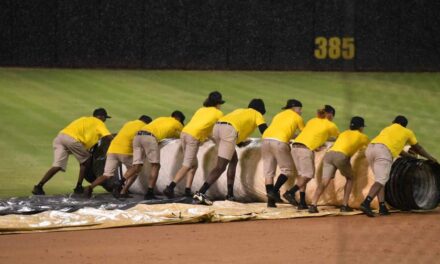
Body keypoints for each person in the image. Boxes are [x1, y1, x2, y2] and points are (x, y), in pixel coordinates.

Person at [193, 99, 268, 205]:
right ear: (261, 110)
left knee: (233, 160)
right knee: (221, 166)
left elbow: (236, 127)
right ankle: (200, 192)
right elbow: (264, 131)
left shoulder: (240, 110)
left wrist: (239, 142)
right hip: (229, 131)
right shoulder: (257, 114)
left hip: (217, 128)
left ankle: (230, 195)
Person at [359, 115, 438, 217]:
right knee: (381, 180)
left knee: (380, 180)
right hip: (383, 152)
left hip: (371, 149)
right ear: (404, 125)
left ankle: (382, 207)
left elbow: (398, 149)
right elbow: (418, 148)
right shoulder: (407, 132)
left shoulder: (387, 129)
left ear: (394, 122)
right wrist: (430, 157)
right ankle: (366, 203)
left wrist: (409, 156)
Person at [32, 108, 112, 195]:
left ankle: (38, 186)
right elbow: (108, 136)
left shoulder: (83, 119)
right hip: (72, 140)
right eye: (105, 118)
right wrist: (118, 143)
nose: (105, 121)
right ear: (101, 117)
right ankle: (78, 187)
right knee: (87, 160)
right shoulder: (98, 122)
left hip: (60, 138)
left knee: (57, 166)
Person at [163, 92, 224, 198]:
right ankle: (170, 187)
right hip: (193, 137)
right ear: (218, 103)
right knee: (187, 165)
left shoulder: (201, 109)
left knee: (193, 164)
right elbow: (221, 129)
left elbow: (203, 127)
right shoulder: (219, 114)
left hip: (185, 133)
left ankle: (187, 190)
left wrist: (212, 139)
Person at [118, 111, 185, 199]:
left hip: (137, 136)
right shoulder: (177, 123)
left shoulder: (161, 119)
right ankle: (150, 192)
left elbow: (172, 133)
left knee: (136, 166)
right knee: (155, 165)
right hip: (149, 138)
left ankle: (119, 183)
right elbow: (185, 134)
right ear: (178, 118)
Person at [283, 105, 339, 210]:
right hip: (305, 149)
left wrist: (318, 143)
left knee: (302, 175)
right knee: (308, 175)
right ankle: (290, 192)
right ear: (330, 114)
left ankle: (302, 203)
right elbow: (340, 138)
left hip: (295, 147)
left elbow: (314, 134)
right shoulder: (331, 125)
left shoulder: (312, 120)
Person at [309, 116, 369, 213]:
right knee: (350, 178)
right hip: (341, 156)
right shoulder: (362, 137)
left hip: (329, 155)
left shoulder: (344, 133)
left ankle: (313, 204)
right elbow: (370, 148)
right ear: (361, 127)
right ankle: (344, 205)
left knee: (324, 181)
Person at [83, 115, 152, 198]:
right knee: (136, 169)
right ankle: (123, 190)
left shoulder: (129, 123)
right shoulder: (145, 127)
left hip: (112, 150)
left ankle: (90, 187)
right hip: (125, 151)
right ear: (148, 123)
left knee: (107, 175)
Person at [262, 99, 305, 208]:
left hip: (265, 140)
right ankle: (274, 191)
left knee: (269, 173)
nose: (301, 111)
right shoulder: (297, 117)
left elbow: (283, 130)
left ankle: (270, 202)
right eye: (300, 109)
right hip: (279, 142)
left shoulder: (278, 115)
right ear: (294, 108)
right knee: (287, 170)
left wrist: (291, 136)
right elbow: (304, 134)